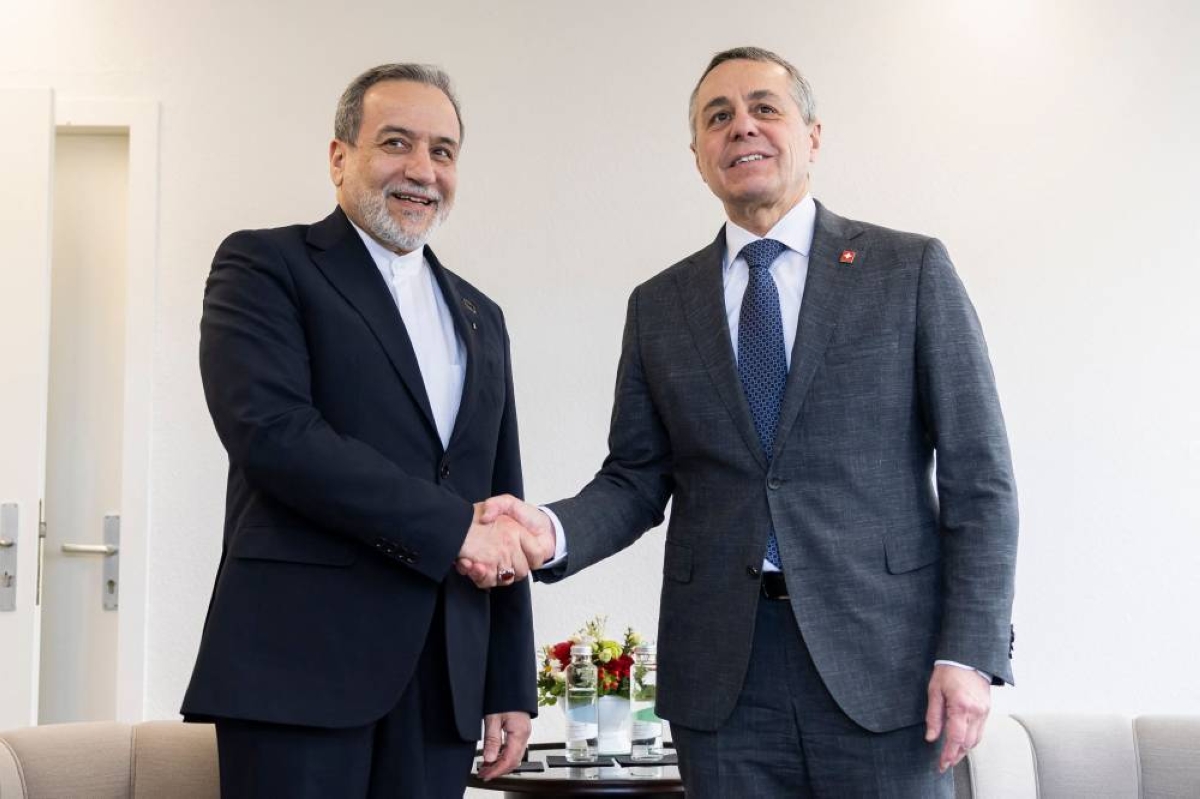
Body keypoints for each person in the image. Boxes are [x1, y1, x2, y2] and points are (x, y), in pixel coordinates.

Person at [476, 47, 1018, 797]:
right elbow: (635, 479)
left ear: (812, 135)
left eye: (765, 107)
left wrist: (969, 651)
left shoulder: (909, 270)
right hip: (724, 681)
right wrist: (548, 529)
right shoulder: (660, 305)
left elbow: (979, 477)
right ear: (698, 154)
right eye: (718, 116)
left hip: (886, 669)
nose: (742, 128)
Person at [182, 63, 541, 798]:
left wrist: (510, 676)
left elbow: (498, 495)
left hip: (445, 677)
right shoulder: (265, 265)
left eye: (442, 151)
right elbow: (274, 434)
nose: (422, 170)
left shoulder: (482, 315)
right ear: (339, 156)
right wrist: (453, 528)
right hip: (297, 666)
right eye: (396, 143)